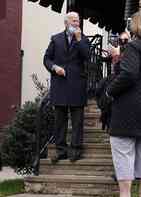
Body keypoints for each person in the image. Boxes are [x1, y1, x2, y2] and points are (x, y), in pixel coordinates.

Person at [106, 10, 141, 197]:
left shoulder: (134, 47)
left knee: (123, 150)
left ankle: (125, 194)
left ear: (136, 25)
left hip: (130, 107)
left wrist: (109, 90)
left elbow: (129, 74)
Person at [43, 12, 90, 163]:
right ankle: (61, 150)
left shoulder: (83, 39)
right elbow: (46, 59)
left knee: (77, 121)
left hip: (77, 85)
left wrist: (79, 39)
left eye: (78, 21)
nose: (77, 24)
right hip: (60, 84)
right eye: (74, 21)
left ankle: (76, 150)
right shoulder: (55, 39)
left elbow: (87, 56)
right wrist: (54, 67)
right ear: (66, 23)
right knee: (60, 120)